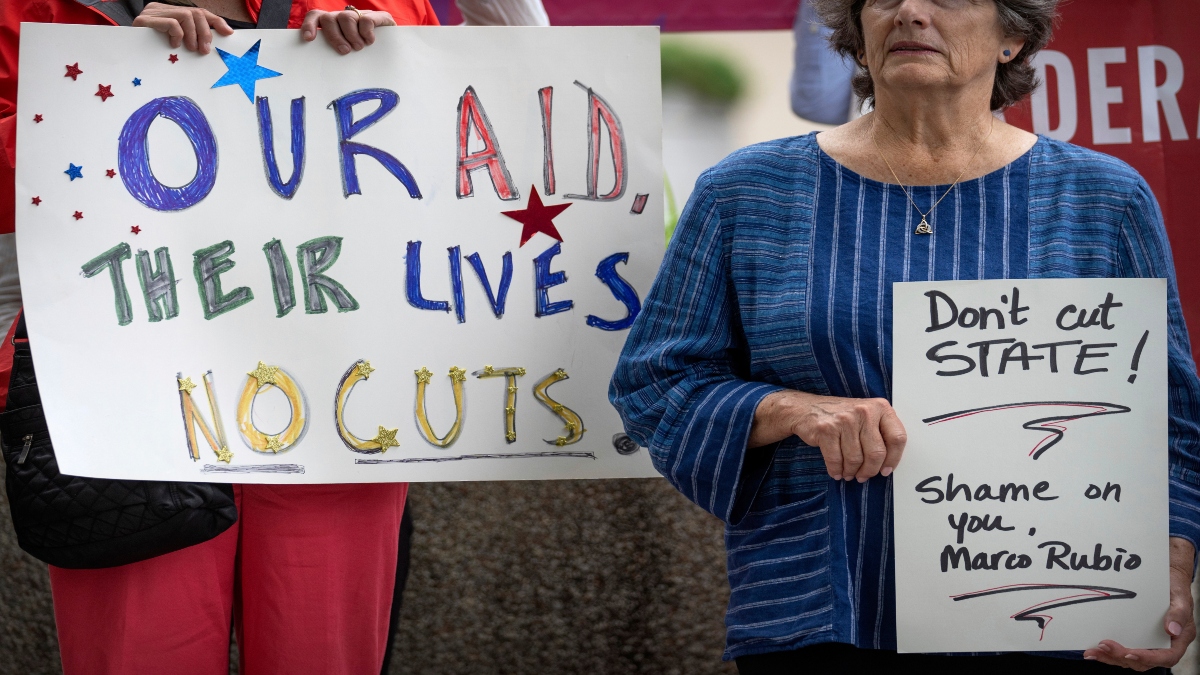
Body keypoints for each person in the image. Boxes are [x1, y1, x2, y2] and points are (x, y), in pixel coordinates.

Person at [610, 0, 1200, 672]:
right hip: (820, 617)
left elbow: (1172, 416)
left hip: (1057, 614)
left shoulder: (1102, 198)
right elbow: (654, 382)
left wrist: (1172, 564)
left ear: (1012, 37)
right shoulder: (747, 192)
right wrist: (788, 409)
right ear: (858, 33)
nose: (911, 11)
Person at [0, 2, 436, 674]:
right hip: (124, 411)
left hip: (334, 407)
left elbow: (457, 144)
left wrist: (389, 63)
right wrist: (101, 92)